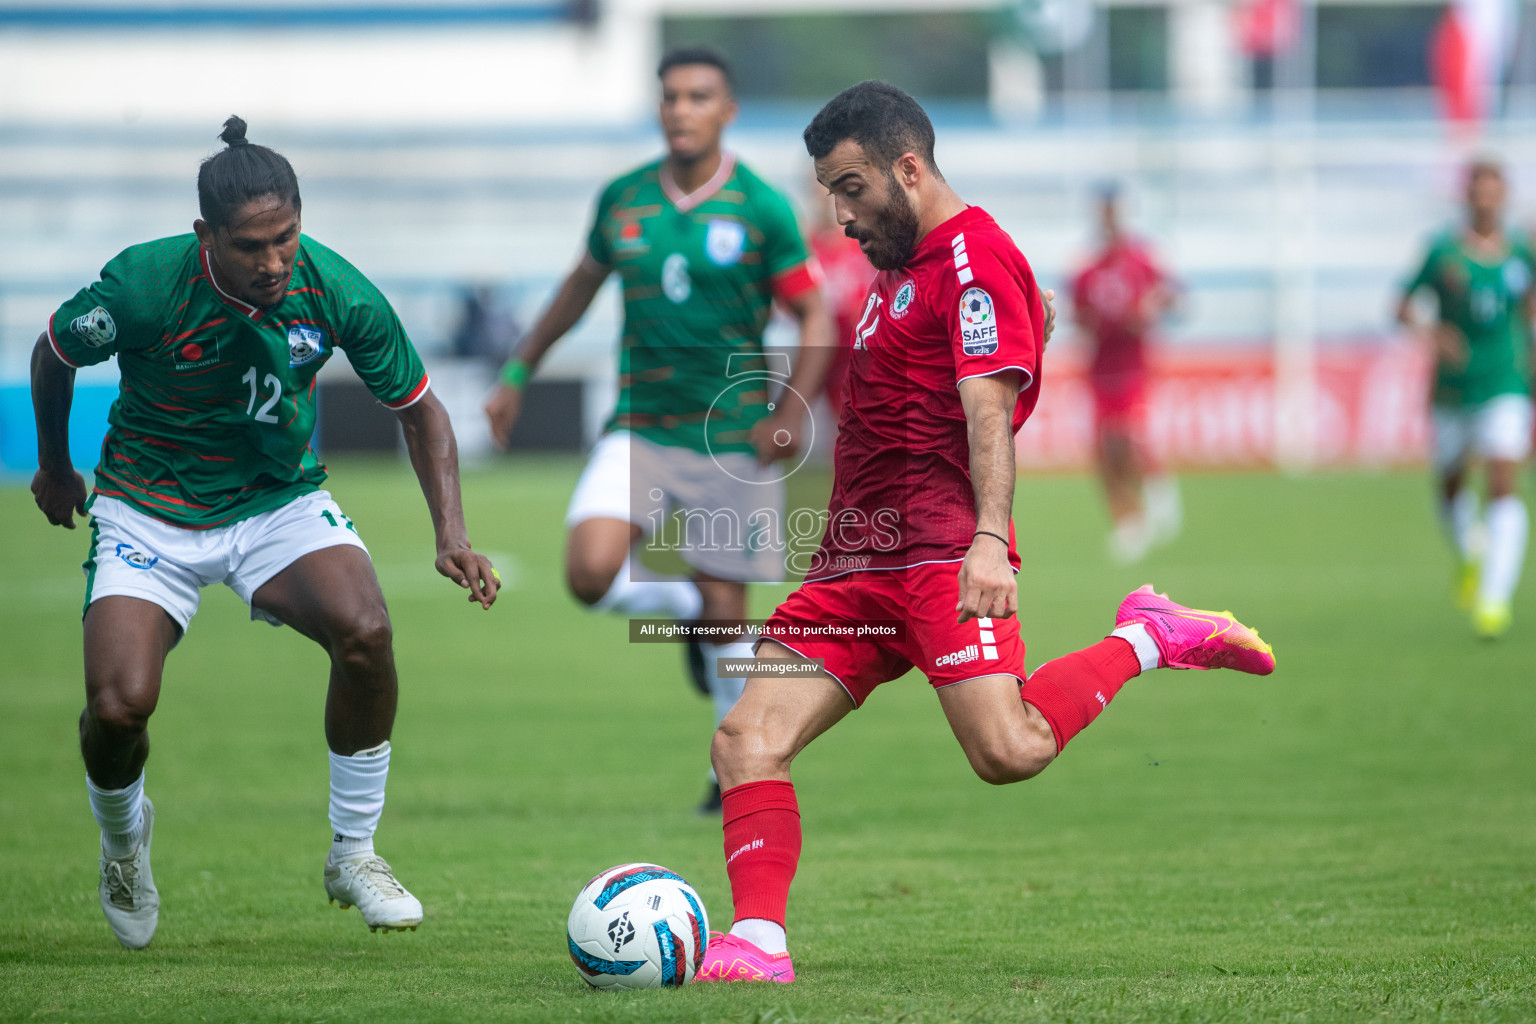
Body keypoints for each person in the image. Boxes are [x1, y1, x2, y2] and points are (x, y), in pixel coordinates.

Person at [692, 82, 1275, 984]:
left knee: (1009, 751)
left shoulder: (974, 258)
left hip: (937, 555)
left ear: (909, 166)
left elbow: (985, 407)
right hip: (852, 562)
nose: (840, 213)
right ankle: (757, 944)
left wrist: (990, 539)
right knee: (743, 739)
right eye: (830, 192)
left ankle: (1147, 637)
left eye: (851, 188)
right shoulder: (904, 268)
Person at [30, 117, 500, 950]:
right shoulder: (143, 285)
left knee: (367, 632)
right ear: (206, 235)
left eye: (287, 238)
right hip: (149, 508)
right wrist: (56, 467)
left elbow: (422, 411)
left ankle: (354, 852)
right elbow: (54, 351)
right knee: (118, 706)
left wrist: (450, 531)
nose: (275, 262)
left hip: (275, 501)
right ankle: (122, 840)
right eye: (252, 246)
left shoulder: (336, 289)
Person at [484, 48, 834, 814]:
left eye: (698, 96)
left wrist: (789, 413)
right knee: (590, 573)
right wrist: (518, 371)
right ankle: (679, 607)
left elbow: (816, 313)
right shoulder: (624, 198)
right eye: (671, 96)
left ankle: (732, 766)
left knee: (730, 624)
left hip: (730, 438)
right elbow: (579, 287)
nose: (681, 108)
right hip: (638, 427)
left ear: (727, 110)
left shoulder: (760, 206)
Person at [1397, 158, 1535, 639]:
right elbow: (1401, 306)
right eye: (1478, 191)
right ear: (1466, 197)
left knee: (1502, 478)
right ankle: (1470, 555)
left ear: (1504, 196)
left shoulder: (1522, 250)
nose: (1485, 200)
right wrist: (1432, 332)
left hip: (1507, 382)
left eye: (1494, 191)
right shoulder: (1443, 253)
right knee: (1451, 487)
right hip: (1453, 389)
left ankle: (1494, 600)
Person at [1069, 184, 1181, 564]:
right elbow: (1078, 315)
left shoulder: (1142, 258)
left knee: (1126, 437)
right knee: (1104, 450)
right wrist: (1098, 323)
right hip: (1101, 366)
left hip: (1134, 364)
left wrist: (1150, 308)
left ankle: (1157, 492)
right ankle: (1128, 520)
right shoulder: (1086, 267)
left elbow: (1176, 296)